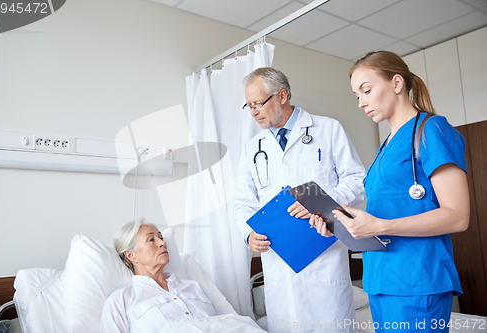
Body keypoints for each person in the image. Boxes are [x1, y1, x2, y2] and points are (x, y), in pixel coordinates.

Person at [328, 51, 469, 332]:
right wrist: (338, 223)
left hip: (416, 277)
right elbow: (387, 210)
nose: (361, 102)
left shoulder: (430, 130)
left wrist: (381, 225)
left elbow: (458, 216)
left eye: (366, 90)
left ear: (396, 83)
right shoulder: (385, 149)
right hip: (381, 279)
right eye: (357, 95)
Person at [234, 67, 366, 333]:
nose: (253, 112)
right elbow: (241, 203)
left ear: (282, 96)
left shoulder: (328, 129)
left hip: (323, 257)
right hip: (278, 262)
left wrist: (316, 201)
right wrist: (248, 233)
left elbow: (357, 181)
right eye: (248, 106)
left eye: (258, 103)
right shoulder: (252, 149)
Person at [99, 218, 217, 333]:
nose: (162, 243)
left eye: (161, 238)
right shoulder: (121, 301)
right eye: (151, 240)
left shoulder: (193, 287)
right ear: (131, 255)